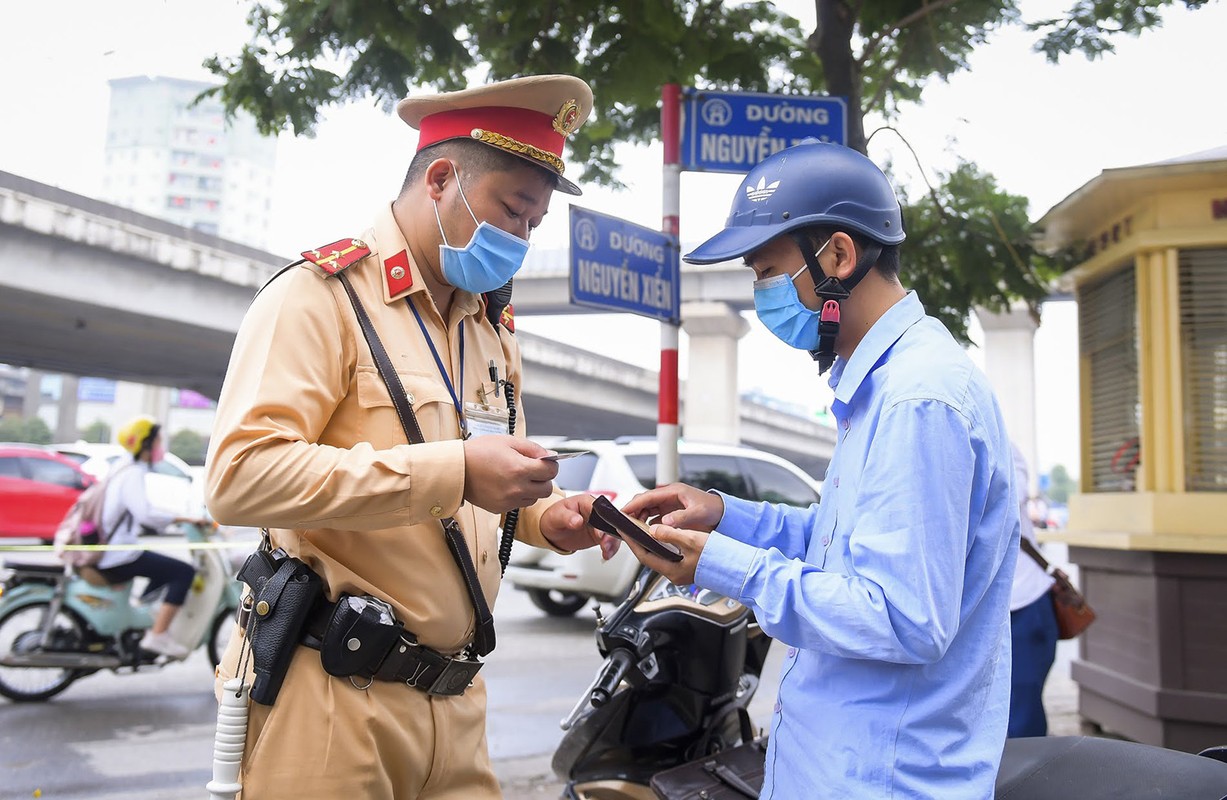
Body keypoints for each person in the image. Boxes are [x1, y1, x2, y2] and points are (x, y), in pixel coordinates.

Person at [206, 75, 616, 800]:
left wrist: (551, 519)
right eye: (512, 210)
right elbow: (240, 478)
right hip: (330, 699)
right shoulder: (321, 296)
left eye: (534, 224)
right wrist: (452, 471)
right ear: (440, 179)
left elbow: (482, 493)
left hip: (455, 704)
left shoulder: (489, 331)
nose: (520, 238)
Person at [619, 140, 1020, 798]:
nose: (760, 296)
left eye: (767, 272)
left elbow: (900, 616)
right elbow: (844, 548)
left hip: (882, 779)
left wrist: (721, 566)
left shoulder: (916, 399)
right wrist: (725, 516)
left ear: (836, 254)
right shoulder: (879, 388)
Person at [96, 414, 199, 659]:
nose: (160, 447)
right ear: (143, 444)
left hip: (112, 550)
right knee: (183, 572)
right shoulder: (132, 472)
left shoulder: (121, 467)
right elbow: (144, 514)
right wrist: (182, 518)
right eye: (157, 442)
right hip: (119, 553)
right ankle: (158, 634)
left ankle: (145, 618)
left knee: (163, 569)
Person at [1008, 442, 1058, 738]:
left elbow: (1004, 500)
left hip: (1022, 603)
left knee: (1021, 720)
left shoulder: (1001, 445)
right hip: (984, 607)